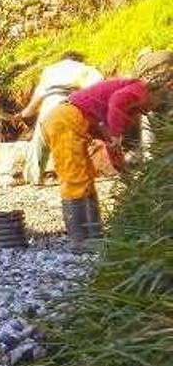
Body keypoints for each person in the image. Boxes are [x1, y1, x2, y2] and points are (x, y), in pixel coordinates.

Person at [42, 53, 171, 249]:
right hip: (65, 120)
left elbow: (110, 141)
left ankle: (94, 235)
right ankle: (80, 239)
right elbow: (117, 103)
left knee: (85, 176)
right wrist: (117, 135)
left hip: (71, 121)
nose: (151, 110)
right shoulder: (139, 90)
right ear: (158, 91)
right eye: (156, 105)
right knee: (74, 177)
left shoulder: (132, 105)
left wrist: (120, 166)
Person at [19, 52, 103, 185]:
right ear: (79, 60)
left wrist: (25, 113)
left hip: (48, 104)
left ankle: (33, 179)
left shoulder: (50, 70)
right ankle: (75, 176)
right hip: (70, 104)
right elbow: (97, 88)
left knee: (40, 140)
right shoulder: (85, 69)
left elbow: (38, 96)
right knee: (72, 140)